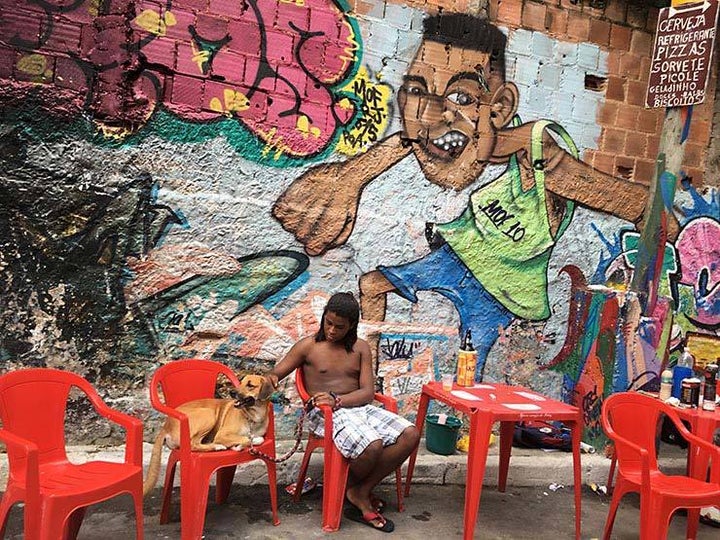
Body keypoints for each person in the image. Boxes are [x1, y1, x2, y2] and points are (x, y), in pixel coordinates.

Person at [273, 14, 679, 382]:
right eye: (417, 90)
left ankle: (465, 419)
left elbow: (637, 205)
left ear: (500, 107)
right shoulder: (451, 136)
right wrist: (350, 177)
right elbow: (416, 140)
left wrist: (669, 257)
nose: (434, 116)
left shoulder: (544, 159)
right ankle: (372, 384)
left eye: (463, 98)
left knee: (470, 370)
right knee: (372, 284)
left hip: (503, 290)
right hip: (455, 258)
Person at [268, 292, 419, 532]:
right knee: (373, 445)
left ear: (351, 326)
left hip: (357, 407)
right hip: (324, 414)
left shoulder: (360, 348)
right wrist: (267, 381)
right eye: (328, 323)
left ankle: (356, 489)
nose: (331, 330)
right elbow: (275, 374)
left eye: (339, 327)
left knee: (411, 434)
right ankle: (353, 492)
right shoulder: (308, 346)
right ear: (323, 318)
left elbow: (367, 393)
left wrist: (338, 399)